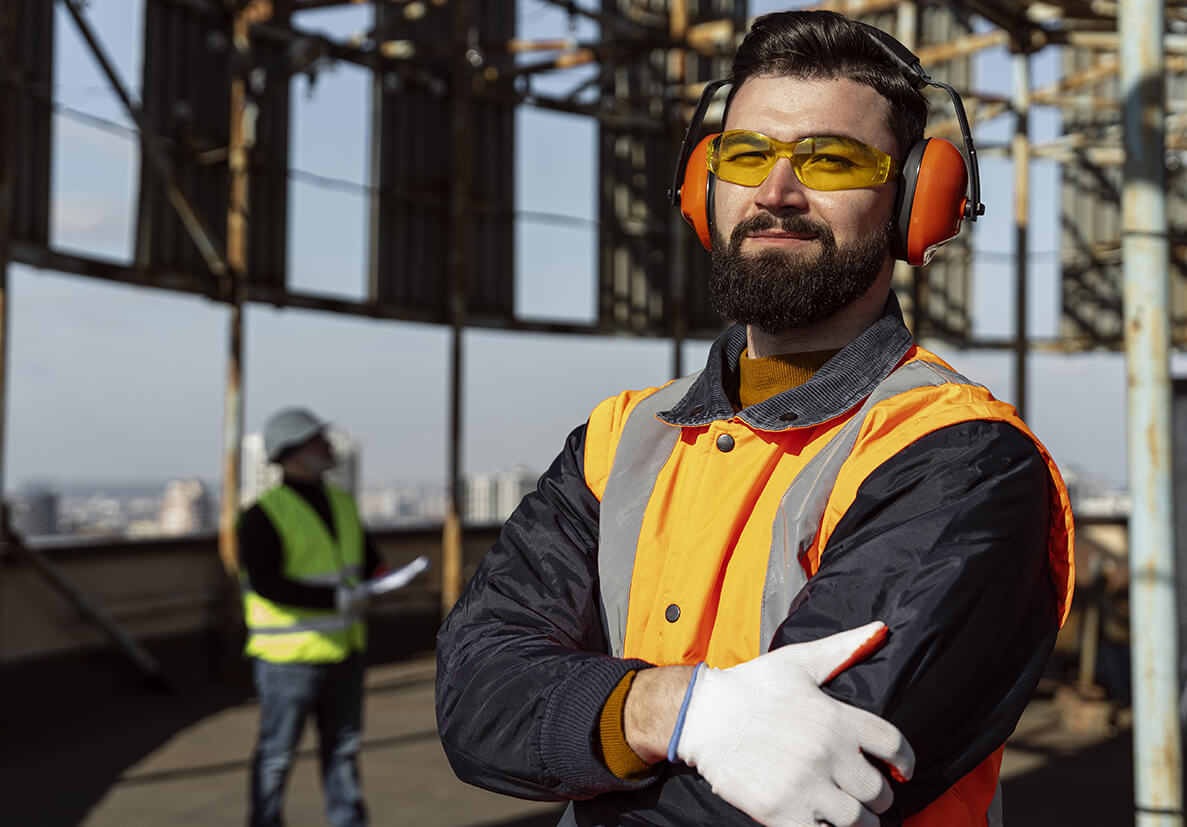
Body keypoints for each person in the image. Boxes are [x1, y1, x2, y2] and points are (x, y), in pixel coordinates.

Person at [436, 10, 1074, 827]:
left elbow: (802, 786)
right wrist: (667, 709)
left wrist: (587, 725)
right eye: (746, 156)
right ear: (707, 187)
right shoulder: (620, 437)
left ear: (917, 199)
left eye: (832, 160)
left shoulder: (959, 458)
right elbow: (474, 695)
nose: (776, 193)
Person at [239, 407, 383, 827]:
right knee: (277, 757)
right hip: (288, 660)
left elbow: (369, 561)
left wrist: (384, 579)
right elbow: (265, 583)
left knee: (343, 752)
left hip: (344, 651)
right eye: (316, 440)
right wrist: (336, 600)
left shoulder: (342, 503)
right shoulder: (263, 514)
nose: (327, 445)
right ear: (289, 453)